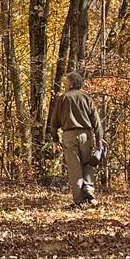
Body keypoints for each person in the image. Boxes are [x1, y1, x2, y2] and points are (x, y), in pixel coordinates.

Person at [49, 70, 105, 207]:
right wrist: (99, 141)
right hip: (86, 135)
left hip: (69, 135)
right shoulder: (87, 97)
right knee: (87, 164)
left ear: (72, 83)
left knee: (74, 168)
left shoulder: (63, 98)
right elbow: (96, 122)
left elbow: (54, 122)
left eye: (66, 82)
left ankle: (79, 200)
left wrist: (55, 139)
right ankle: (90, 192)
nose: (65, 85)